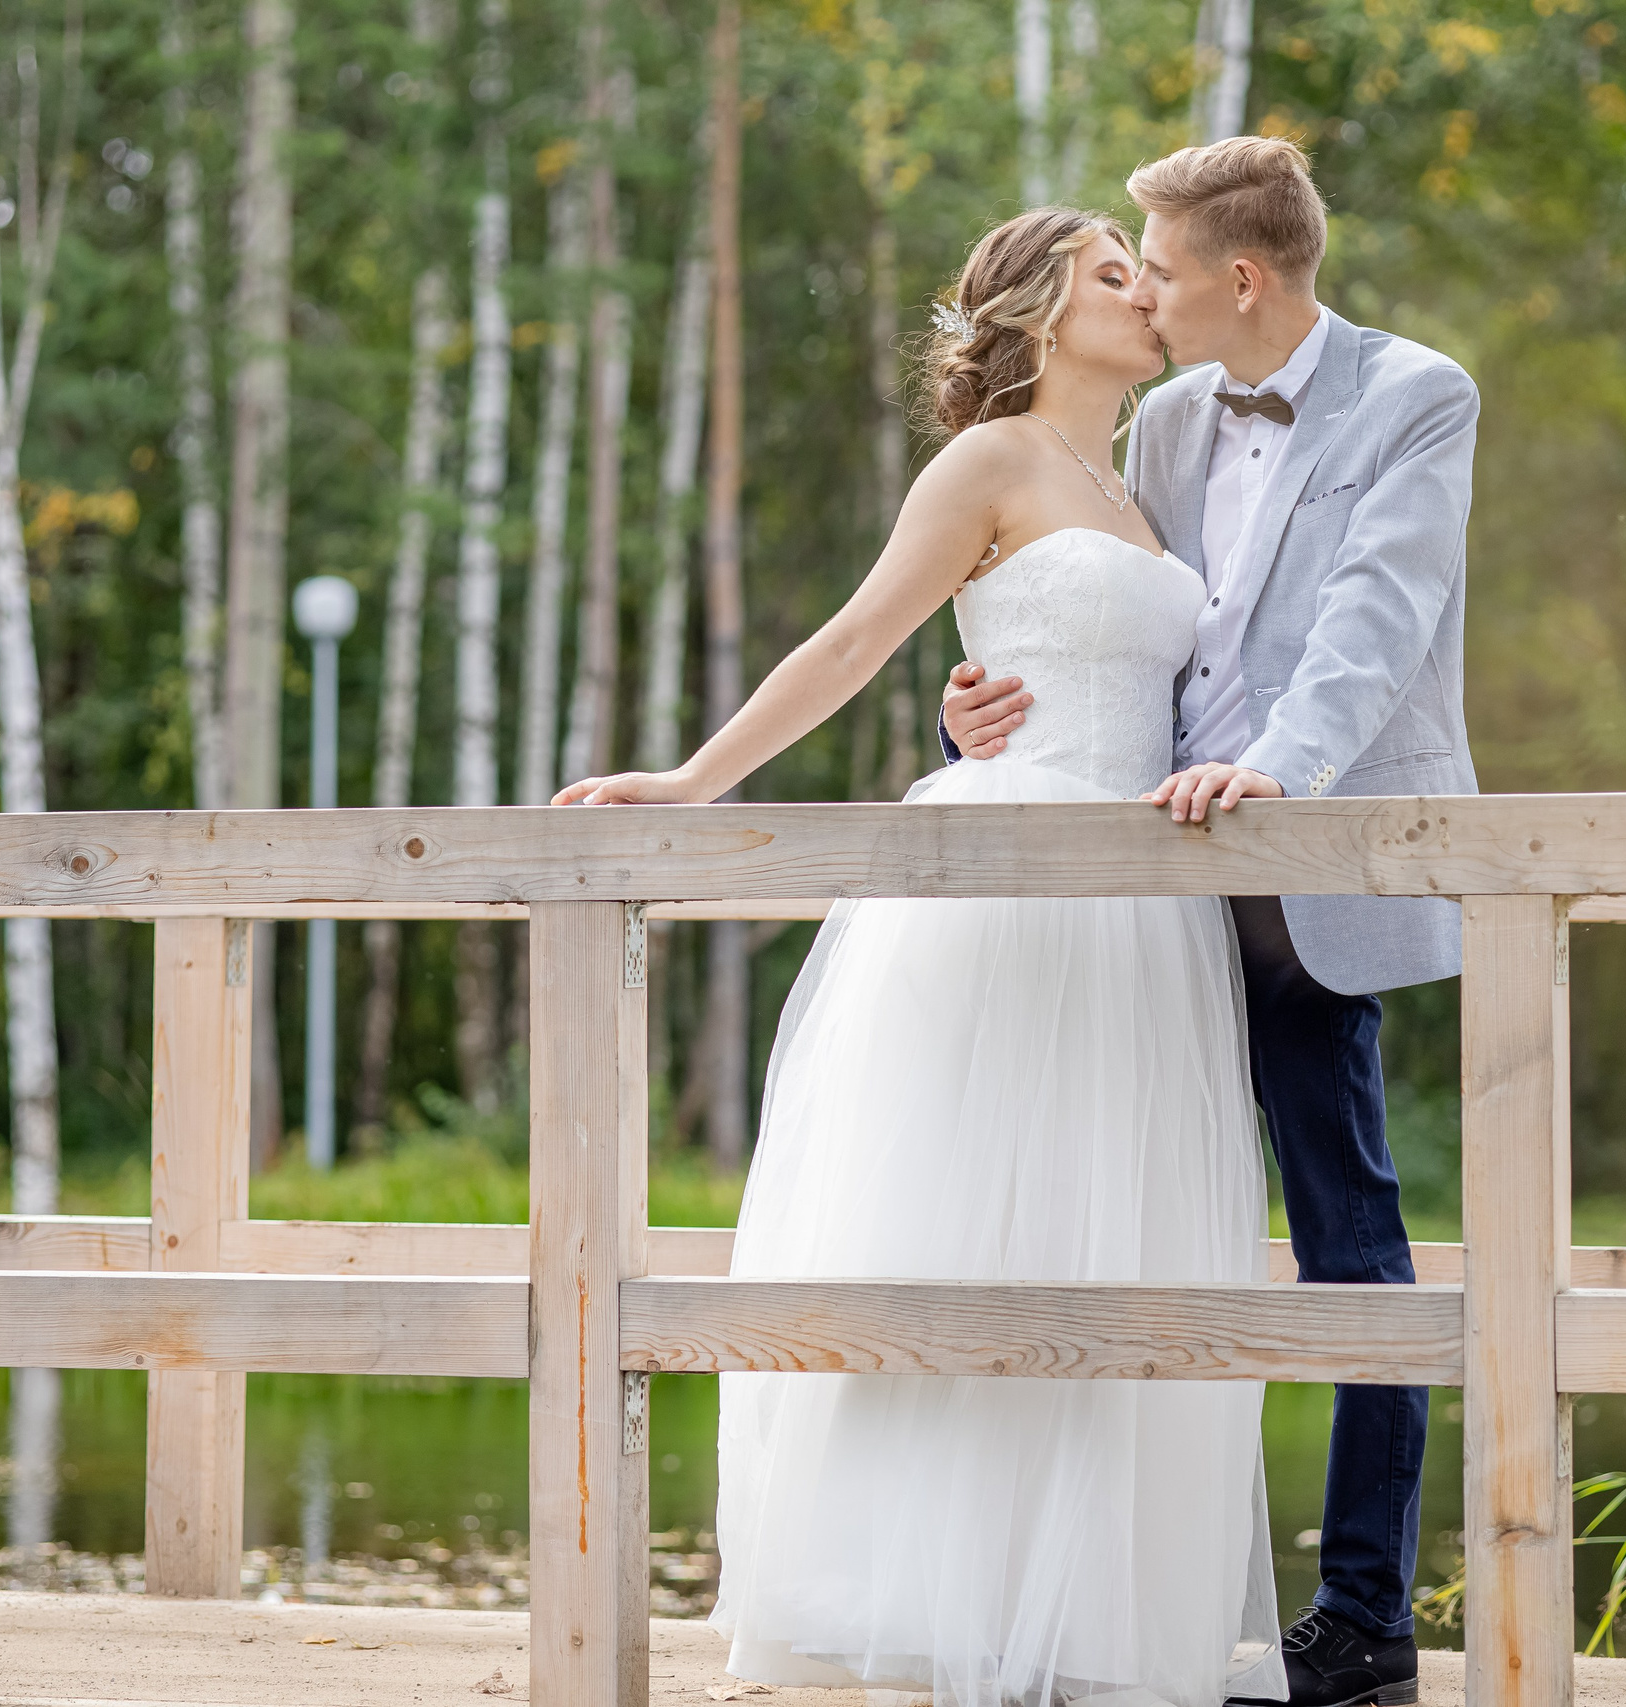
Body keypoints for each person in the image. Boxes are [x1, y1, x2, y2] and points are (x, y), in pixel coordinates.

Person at [556, 207, 1287, 1706]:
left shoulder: (1141, 480)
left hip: (1142, 908)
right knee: (970, 1222)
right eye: (1112, 272)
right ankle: (907, 1592)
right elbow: (854, 638)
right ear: (1033, 309)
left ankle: (1076, 1611)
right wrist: (694, 783)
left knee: (1108, 1238)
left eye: (1142, 270)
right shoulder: (990, 462)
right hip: (1000, 886)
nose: (1144, 291)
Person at [939, 137, 1478, 1707]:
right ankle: (1083, 1600)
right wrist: (983, 699)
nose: (1146, 292)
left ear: (1239, 276)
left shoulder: (1415, 393)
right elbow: (1088, 600)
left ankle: (1367, 1614)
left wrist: (1280, 773)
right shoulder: (1160, 421)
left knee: (1352, 1238)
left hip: (1299, 871)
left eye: (1157, 267)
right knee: (1094, 1213)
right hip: (1124, 884)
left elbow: (1385, 613)